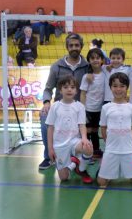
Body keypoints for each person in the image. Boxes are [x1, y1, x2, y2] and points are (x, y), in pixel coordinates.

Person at [39, 33, 90, 170]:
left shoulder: (87, 66)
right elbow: (48, 88)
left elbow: (102, 68)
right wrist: (46, 102)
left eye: (77, 45)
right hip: (60, 107)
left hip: (79, 107)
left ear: (81, 47)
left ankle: (80, 154)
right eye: (71, 45)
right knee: (44, 117)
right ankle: (48, 156)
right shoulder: (57, 66)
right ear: (67, 47)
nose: (74, 48)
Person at [97, 72, 132, 187]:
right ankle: (104, 166)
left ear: (127, 88)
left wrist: (129, 144)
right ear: (110, 87)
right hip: (111, 148)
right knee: (101, 183)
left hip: (127, 149)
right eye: (115, 86)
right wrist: (108, 144)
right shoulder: (105, 108)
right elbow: (103, 127)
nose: (118, 89)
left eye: (122, 86)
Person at [45, 75, 93, 183]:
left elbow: (82, 125)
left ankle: (81, 169)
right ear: (60, 90)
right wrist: (50, 148)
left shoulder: (79, 106)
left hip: (74, 142)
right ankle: (74, 164)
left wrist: (84, 138)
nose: (69, 89)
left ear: (76, 91)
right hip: (59, 145)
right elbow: (50, 128)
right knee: (64, 178)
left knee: (88, 147)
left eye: (72, 87)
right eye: (66, 87)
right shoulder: (55, 106)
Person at [80, 48, 105, 160]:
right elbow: (83, 94)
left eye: (97, 58)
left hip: (100, 109)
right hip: (88, 108)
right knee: (88, 131)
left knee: (95, 130)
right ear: (89, 60)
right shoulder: (86, 77)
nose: (95, 60)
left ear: (102, 60)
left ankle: (96, 150)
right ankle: (87, 152)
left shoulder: (105, 73)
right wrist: (82, 109)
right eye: (92, 58)